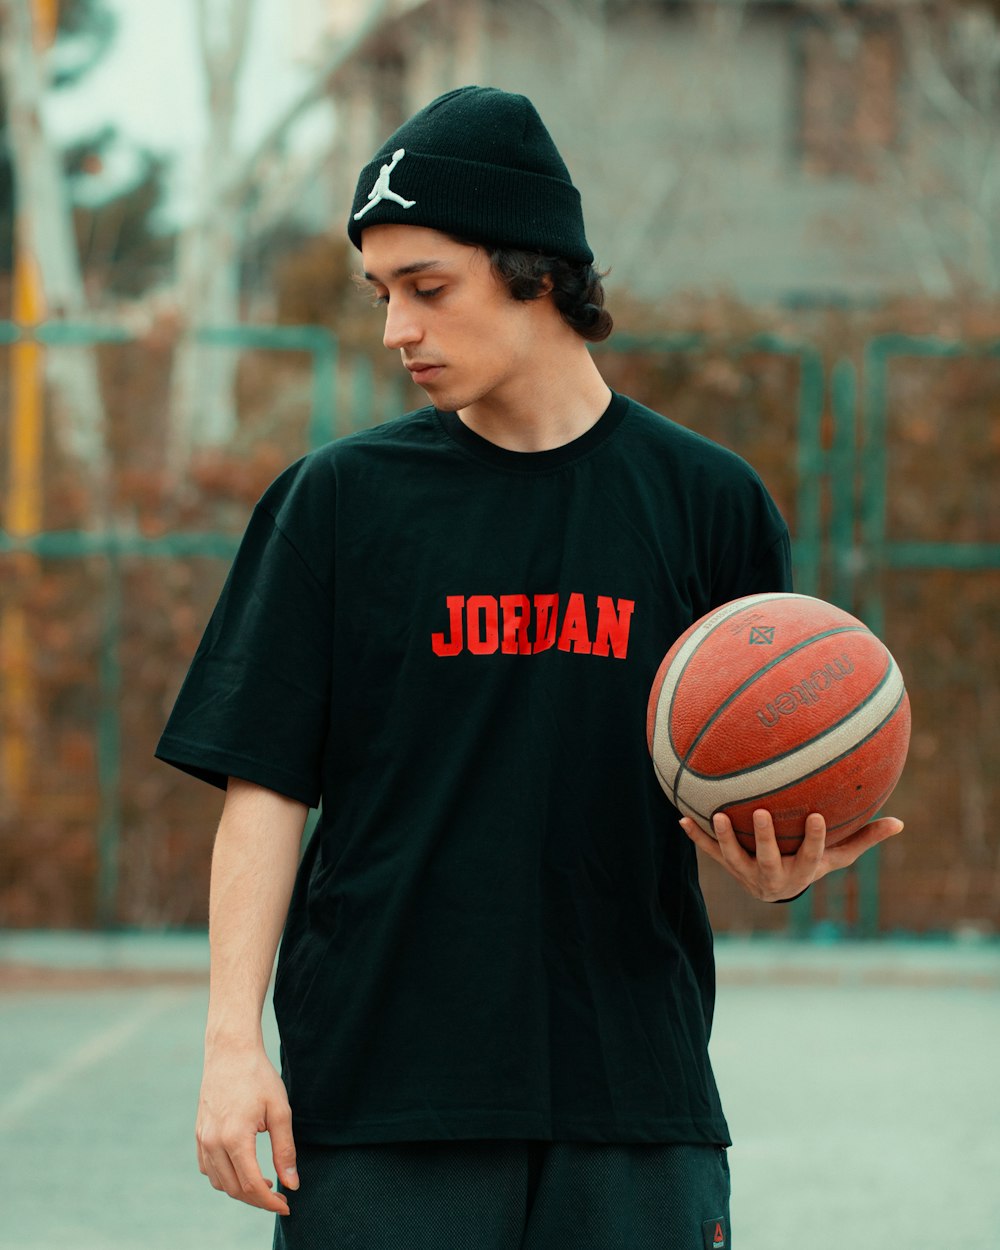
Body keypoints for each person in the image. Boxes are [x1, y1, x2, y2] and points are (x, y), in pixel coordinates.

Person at [156, 86, 902, 1250]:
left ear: (539, 271)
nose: (396, 327)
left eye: (428, 287)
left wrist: (775, 868)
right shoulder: (337, 503)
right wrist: (229, 1045)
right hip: (378, 1097)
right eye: (381, 293)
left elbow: (743, 785)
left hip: (630, 1092)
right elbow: (264, 789)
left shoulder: (707, 504)